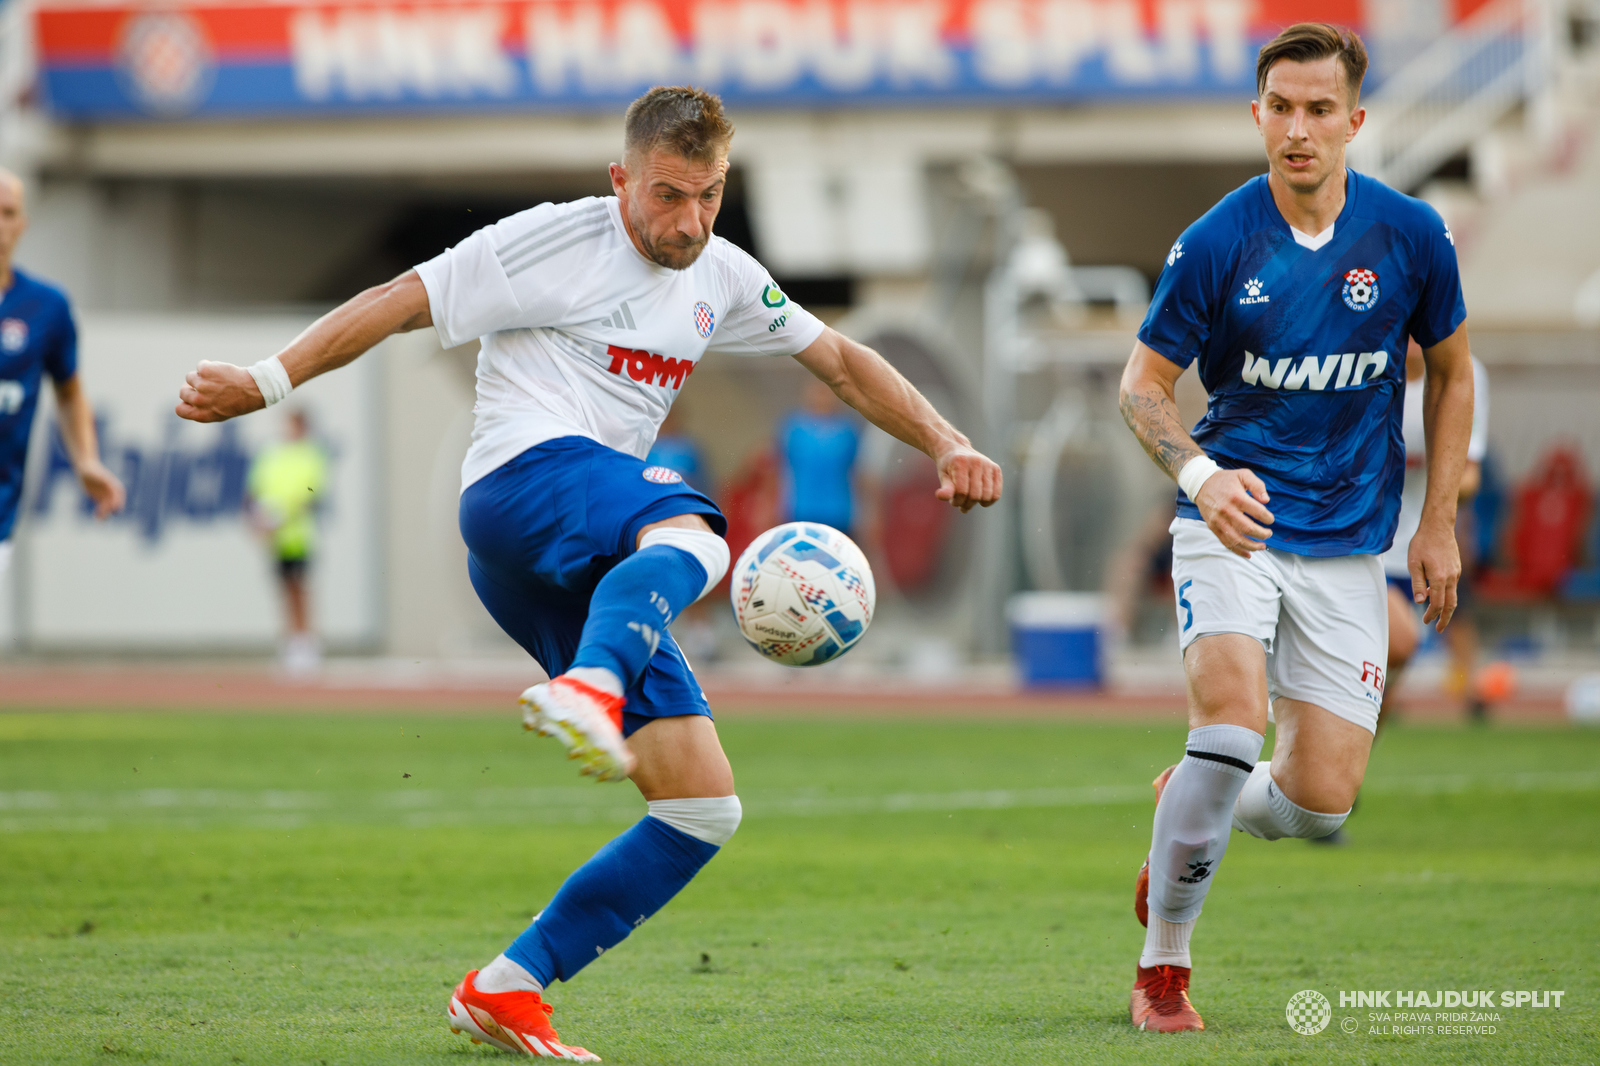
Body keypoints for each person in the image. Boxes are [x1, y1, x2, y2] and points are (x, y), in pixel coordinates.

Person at [174, 86, 1001, 1060]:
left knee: (700, 806)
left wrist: (946, 441)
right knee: (696, 533)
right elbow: (402, 300)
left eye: (710, 195)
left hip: (572, 562)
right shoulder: (549, 242)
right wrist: (265, 380)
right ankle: (592, 687)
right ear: (621, 180)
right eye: (667, 195)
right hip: (517, 485)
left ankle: (506, 986)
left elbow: (843, 362)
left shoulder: (724, 274)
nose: (689, 220)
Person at [1117, 24, 1473, 1032]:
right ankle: (1163, 970)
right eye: (1281, 107)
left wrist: (1434, 523)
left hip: (1348, 543)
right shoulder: (1217, 241)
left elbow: (1448, 373)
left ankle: (1193, 794)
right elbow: (1141, 388)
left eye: (1320, 109)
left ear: (1355, 121)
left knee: (1319, 805)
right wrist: (1199, 473)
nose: (1299, 128)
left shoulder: (1410, 235)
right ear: (1258, 114)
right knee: (1229, 724)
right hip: (1232, 522)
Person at [0, 168, 124, 580]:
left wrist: (86, 460)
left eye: (7, 212)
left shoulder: (47, 307)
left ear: (21, 224)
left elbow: (69, 392)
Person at [1379, 339, 1490, 726]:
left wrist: (1438, 476)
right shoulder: (1367, 368)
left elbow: (1471, 474)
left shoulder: (1463, 374)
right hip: (1369, 539)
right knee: (1394, 646)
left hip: (1429, 539)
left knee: (1432, 627)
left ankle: (1470, 690)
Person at [247, 409, 328, 675]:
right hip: (277, 538)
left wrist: (285, 514)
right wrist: (260, 519)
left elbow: (312, 492)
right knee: (284, 589)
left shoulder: (311, 455)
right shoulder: (272, 455)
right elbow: (257, 489)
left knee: (300, 588)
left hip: (299, 536)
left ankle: (307, 643)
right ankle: (292, 642)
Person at [777, 377, 860, 536]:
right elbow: (779, 468)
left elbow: (856, 472)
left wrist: (863, 513)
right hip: (800, 510)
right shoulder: (794, 427)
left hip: (838, 512)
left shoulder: (847, 429)